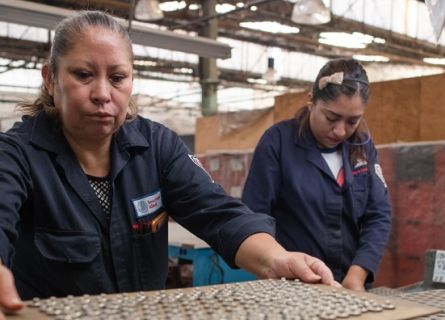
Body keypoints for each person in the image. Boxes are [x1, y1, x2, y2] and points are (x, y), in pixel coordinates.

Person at [0, 11, 337, 317]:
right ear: (49, 78)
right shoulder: (17, 154)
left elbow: (218, 212)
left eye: (117, 78)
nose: (103, 93)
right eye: (84, 75)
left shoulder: (156, 147)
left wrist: (277, 258)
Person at [242, 58, 392, 291]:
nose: (341, 131)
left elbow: (378, 214)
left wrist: (357, 274)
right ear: (311, 100)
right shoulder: (278, 143)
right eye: (331, 118)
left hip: (350, 285)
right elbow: (255, 215)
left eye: (353, 121)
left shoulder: (362, 145)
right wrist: (278, 264)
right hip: (293, 287)